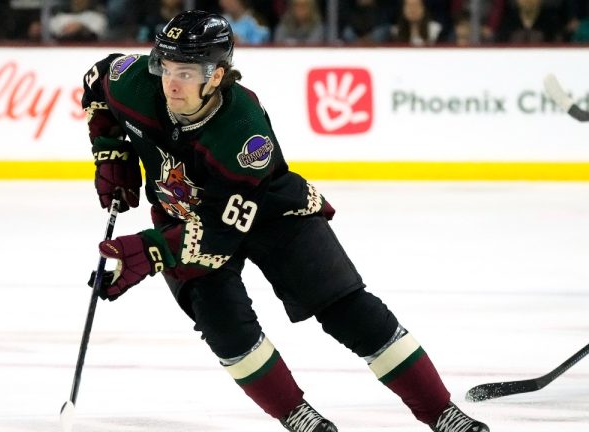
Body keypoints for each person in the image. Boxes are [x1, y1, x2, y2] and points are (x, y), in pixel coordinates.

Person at [81, 10, 490, 432]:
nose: (171, 83)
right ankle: (296, 415)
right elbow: (97, 80)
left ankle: (442, 412)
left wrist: (152, 251)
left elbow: (224, 227)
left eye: (186, 72)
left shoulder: (245, 131)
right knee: (226, 329)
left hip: (270, 212)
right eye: (165, 68)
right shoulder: (134, 83)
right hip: (184, 214)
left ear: (217, 75)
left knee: (348, 309)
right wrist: (110, 149)